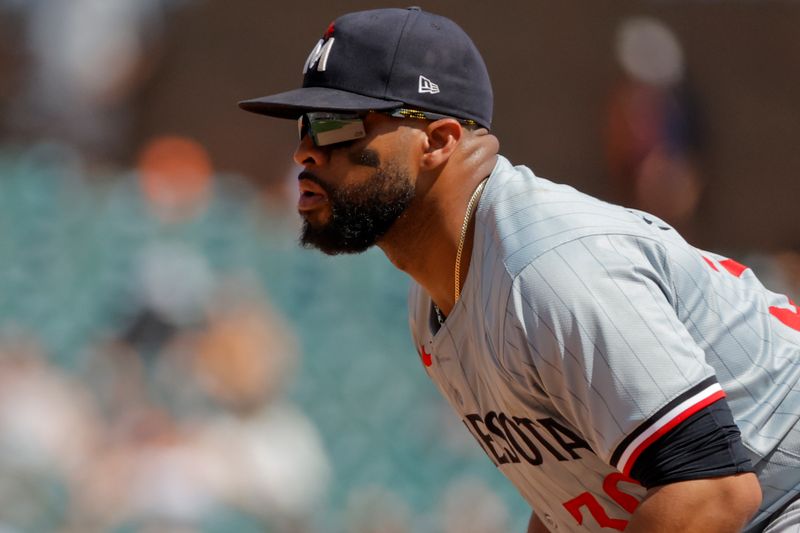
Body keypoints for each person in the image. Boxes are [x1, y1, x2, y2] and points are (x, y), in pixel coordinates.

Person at [238, 7, 800, 532]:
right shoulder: (440, 290)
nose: (305, 152)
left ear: (437, 141)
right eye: (303, 125)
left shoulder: (550, 268)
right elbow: (571, 500)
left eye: (336, 125)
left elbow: (713, 490)